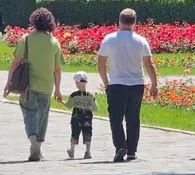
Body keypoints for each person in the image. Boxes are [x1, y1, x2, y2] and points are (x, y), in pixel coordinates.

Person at [98, 8, 159, 163]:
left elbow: (101, 62)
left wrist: (106, 81)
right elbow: (149, 64)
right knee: (133, 118)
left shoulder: (109, 39)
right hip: (136, 84)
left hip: (117, 83)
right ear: (134, 22)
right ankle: (132, 150)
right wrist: (154, 84)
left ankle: (120, 147)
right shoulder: (140, 41)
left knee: (116, 118)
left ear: (119, 21)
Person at [3, 8, 64, 162]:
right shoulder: (54, 42)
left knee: (29, 114)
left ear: (33, 22)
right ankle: (38, 147)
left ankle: (33, 144)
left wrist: (8, 82)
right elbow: (57, 69)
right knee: (43, 116)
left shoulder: (27, 39)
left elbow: (16, 62)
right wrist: (58, 89)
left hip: (28, 85)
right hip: (47, 86)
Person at [66, 72, 99, 160]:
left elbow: (68, 105)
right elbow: (95, 108)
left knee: (74, 133)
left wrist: (61, 102)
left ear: (76, 83)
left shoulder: (74, 95)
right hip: (87, 117)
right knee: (87, 133)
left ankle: (72, 150)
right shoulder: (90, 95)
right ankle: (87, 151)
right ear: (86, 82)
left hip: (76, 117)